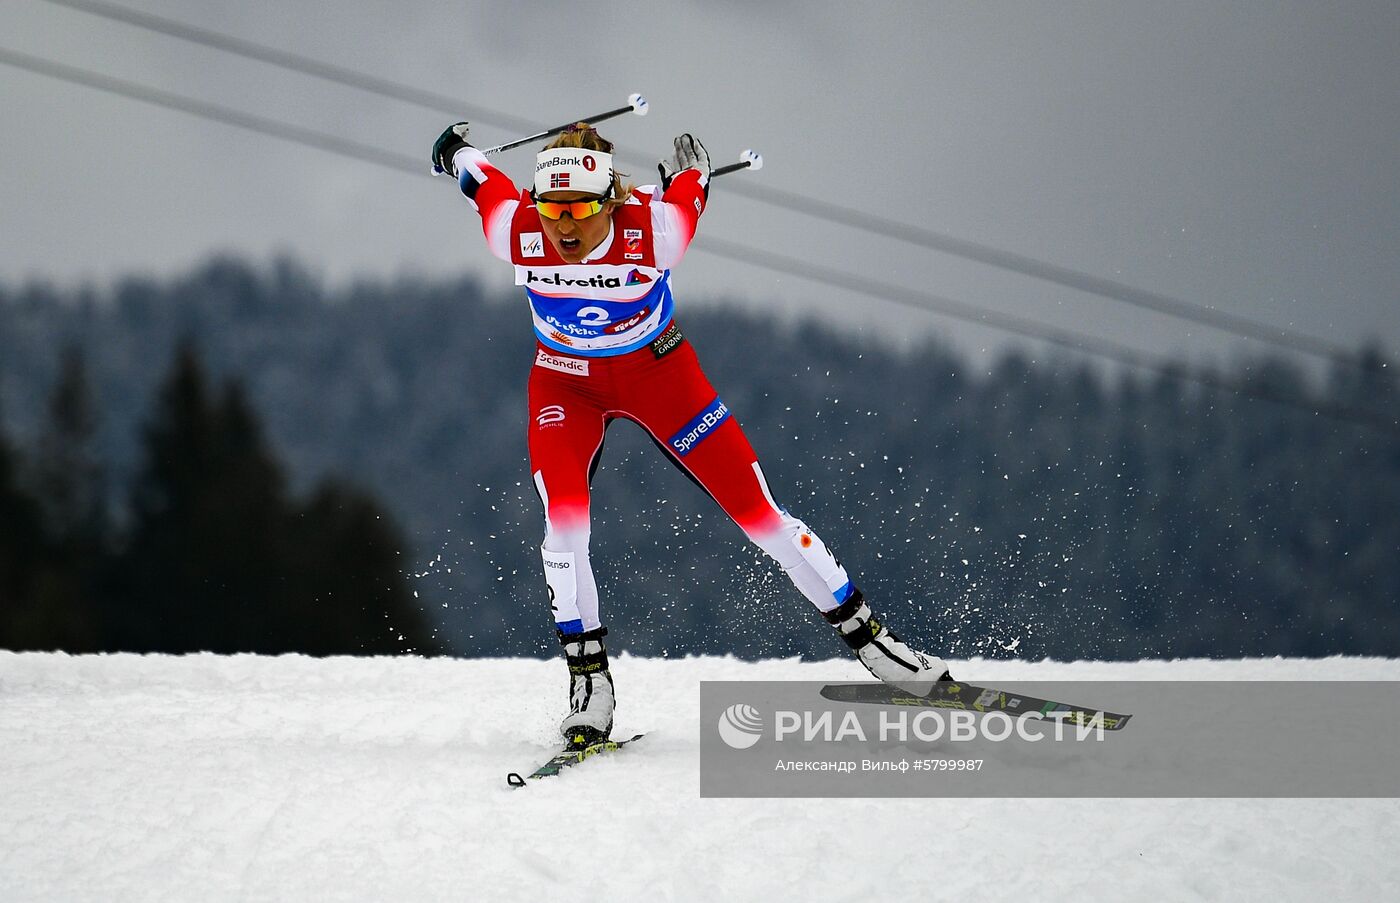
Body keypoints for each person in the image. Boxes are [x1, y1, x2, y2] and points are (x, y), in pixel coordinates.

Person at [431, 121, 950, 749]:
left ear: (611, 201)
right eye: (551, 208)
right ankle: (589, 683)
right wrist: (454, 150)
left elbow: (689, 188)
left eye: (579, 211)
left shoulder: (655, 231)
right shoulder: (515, 229)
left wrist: (690, 175)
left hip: (660, 376)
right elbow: (481, 181)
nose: (563, 228)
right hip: (566, 383)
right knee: (564, 526)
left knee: (760, 516)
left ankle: (878, 649)